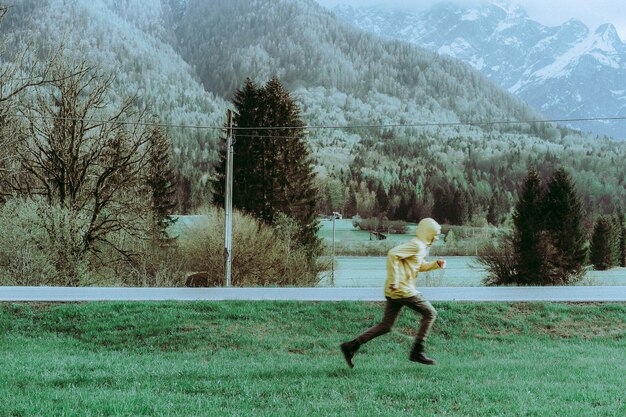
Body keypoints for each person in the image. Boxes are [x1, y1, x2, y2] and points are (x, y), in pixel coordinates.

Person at [340, 218, 446, 367]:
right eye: (435, 234)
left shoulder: (420, 247)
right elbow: (393, 254)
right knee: (431, 314)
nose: (436, 238)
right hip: (403, 290)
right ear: (428, 233)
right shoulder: (416, 245)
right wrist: (394, 280)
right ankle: (417, 351)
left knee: (386, 325)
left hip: (395, 291)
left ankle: (351, 346)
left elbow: (418, 266)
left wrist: (435, 265)